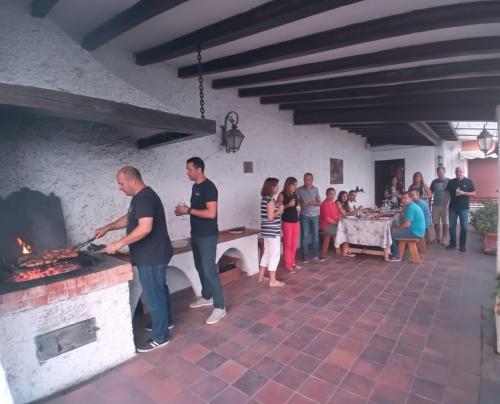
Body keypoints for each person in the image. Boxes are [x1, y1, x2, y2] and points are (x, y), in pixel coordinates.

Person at [95, 166, 173, 352]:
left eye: (121, 183)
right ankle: (165, 321)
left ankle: (161, 336)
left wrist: (119, 243)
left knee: (154, 296)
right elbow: (129, 218)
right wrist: (108, 227)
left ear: (132, 181)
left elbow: (145, 227)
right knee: (158, 290)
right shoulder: (140, 198)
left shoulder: (145, 197)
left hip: (152, 256)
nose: (120, 187)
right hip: (153, 254)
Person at [174, 157, 226, 325]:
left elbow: (211, 213)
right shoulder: (195, 186)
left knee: (209, 269)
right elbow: (197, 211)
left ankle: (220, 307)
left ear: (198, 169)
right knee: (200, 267)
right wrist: (186, 212)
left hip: (208, 235)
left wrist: (188, 210)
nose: (187, 172)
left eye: (189, 169)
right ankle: (207, 296)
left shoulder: (209, 187)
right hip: (196, 234)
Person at [258, 178, 285, 287]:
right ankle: (272, 281)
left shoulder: (265, 199)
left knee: (267, 252)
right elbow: (270, 217)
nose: (278, 187)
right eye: (276, 186)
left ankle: (261, 276)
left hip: (266, 231)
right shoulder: (269, 200)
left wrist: (278, 208)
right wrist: (279, 210)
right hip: (272, 231)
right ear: (271, 187)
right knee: (274, 254)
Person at [445, 166, 476, 252]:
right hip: (452, 208)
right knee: (451, 227)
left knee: (464, 227)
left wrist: (464, 193)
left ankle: (462, 245)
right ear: (455, 172)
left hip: (464, 208)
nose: (458, 173)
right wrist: (445, 205)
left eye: (460, 171)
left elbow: (474, 193)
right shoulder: (451, 182)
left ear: (464, 172)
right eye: (457, 171)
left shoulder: (469, 181)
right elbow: (447, 194)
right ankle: (452, 244)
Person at [389, 192, 425, 262]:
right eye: (402, 198)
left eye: (405, 198)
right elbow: (405, 219)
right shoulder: (410, 206)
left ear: (411, 199)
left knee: (389, 233)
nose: (403, 200)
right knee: (394, 228)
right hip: (417, 231)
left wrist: (397, 228)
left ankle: (396, 256)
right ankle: (393, 251)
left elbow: (407, 224)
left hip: (415, 232)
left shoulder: (411, 207)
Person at [297, 173, 324, 263]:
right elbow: (297, 203)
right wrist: (302, 203)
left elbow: (320, 203)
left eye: (308, 179)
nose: (306, 181)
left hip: (315, 215)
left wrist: (312, 202)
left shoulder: (315, 189)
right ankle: (304, 256)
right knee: (304, 236)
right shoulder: (299, 190)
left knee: (315, 235)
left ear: (312, 180)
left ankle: (316, 255)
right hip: (304, 215)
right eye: (305, 179)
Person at [277, 177, 301, 273]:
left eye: (296, 185)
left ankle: (293, 262)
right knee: (288, 243)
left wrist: (299, 207)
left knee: (294, 243)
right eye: (293, 185)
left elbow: (298, 205)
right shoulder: (282, 195)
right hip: (286, 222)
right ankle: (288, 265)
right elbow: (278, 209)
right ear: (288, 185)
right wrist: (287, 206)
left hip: (295, 221)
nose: (295, 187)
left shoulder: (295, 194)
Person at [430, 167, 449, 245]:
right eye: (438, 173)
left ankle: (444, 239)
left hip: (445, 206)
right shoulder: (434, 182)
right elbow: (430, 193)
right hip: (435, 205)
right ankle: (438, 238)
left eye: (441, 172)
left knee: (445, 223)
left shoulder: (449, 181)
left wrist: (447, 204)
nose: (439, 174)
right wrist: (429, 203)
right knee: (436, 223)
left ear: (444, 172)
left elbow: (451, 194)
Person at [320, 188, 340, 259]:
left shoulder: (333, 203)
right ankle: (324, 253)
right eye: (330, 194)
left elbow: (336, 215)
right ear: (327, 194)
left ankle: (338, 252)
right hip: (326, 225)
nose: (332, 195)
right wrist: (337, 223)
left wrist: (338, 221)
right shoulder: (325, 204)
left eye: (334, 194)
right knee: (338, 233)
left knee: (339, 231)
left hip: (333, 224)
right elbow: (327, 219)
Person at [335, 191, 355, 257]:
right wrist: (352, 211)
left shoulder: (346, 203)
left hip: (343, 222)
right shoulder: (338, 202)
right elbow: (343, 213)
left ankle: (345, 251)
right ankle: (345, 251)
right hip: (337, 222)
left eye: (346, 196)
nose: (345, 197)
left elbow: (352, 212)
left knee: (350, 231)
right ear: (340, 196)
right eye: (343, 196)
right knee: (348, 232)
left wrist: (355, 210)